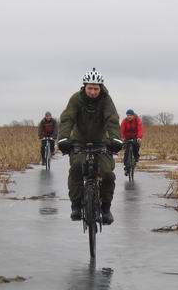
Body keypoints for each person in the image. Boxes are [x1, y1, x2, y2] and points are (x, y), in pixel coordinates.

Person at [57, 68, 123, 225]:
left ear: (100, 88)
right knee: (76, 169)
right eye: (90, 88)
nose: (93, 92)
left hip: (101, 142)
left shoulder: (106, 100)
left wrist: (115, 139)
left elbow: (112, 119)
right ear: (84, 87)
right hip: (79, 141)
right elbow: (67, 119)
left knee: (107, 174)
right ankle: (76, 205)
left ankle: (106, 208)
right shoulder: (76, 99)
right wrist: (63, 138)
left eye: (96, 88)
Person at [119, 108, 143, 173]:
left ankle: (136, 157)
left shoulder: (137, 120)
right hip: (127, 137)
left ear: (133, 115)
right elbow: (122, 130)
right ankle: (126, 165)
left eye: (130, 115)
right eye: (127, 115)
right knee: (126, 150)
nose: (129, 117)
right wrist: (122, 137)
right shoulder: (124, 121)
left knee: (136, 145)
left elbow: (140, 129)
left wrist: (139, 137)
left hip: (135, 137)